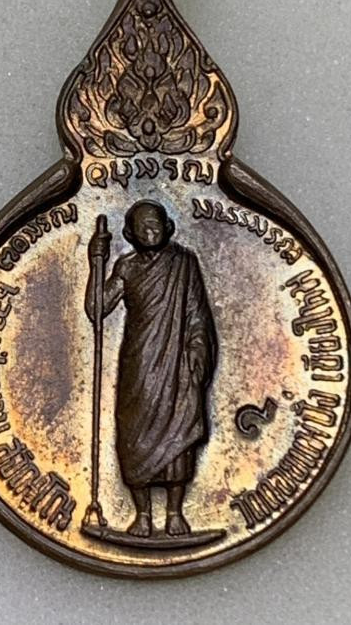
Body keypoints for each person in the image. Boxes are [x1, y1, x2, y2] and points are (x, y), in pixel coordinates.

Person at [85, 200, 217, 537]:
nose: (151, 229)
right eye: (142, 225)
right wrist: (94, 263)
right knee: (135, 434)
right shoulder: (127, 268)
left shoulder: (184, 263)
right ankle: (142, 515)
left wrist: (197, 352)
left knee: (179, 429)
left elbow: (197, 312)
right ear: (130, 233)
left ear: (168, 226)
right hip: (140, 363)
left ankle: (175, 513)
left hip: (177, 361)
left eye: (156, 223)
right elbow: (98, 310)